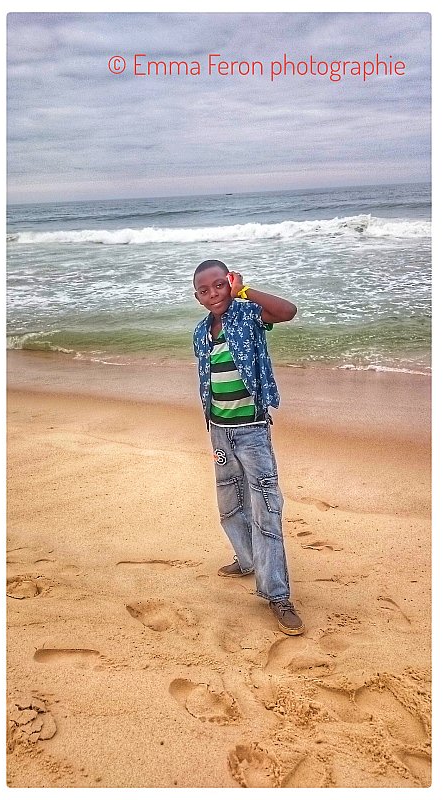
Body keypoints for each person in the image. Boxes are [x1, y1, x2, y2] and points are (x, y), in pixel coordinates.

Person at [192, 259, 305, 636]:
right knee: (229, 505)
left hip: (252, 430)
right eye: (204, 291)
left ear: (230, 283)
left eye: (219, 286)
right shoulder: (200, 331)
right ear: (197, 297)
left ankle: (277, 594)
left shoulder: (248, 315)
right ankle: (247, 559)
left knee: (266, 510)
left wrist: (245, 291)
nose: (213, 295)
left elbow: (287, 311)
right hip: (219, 433)